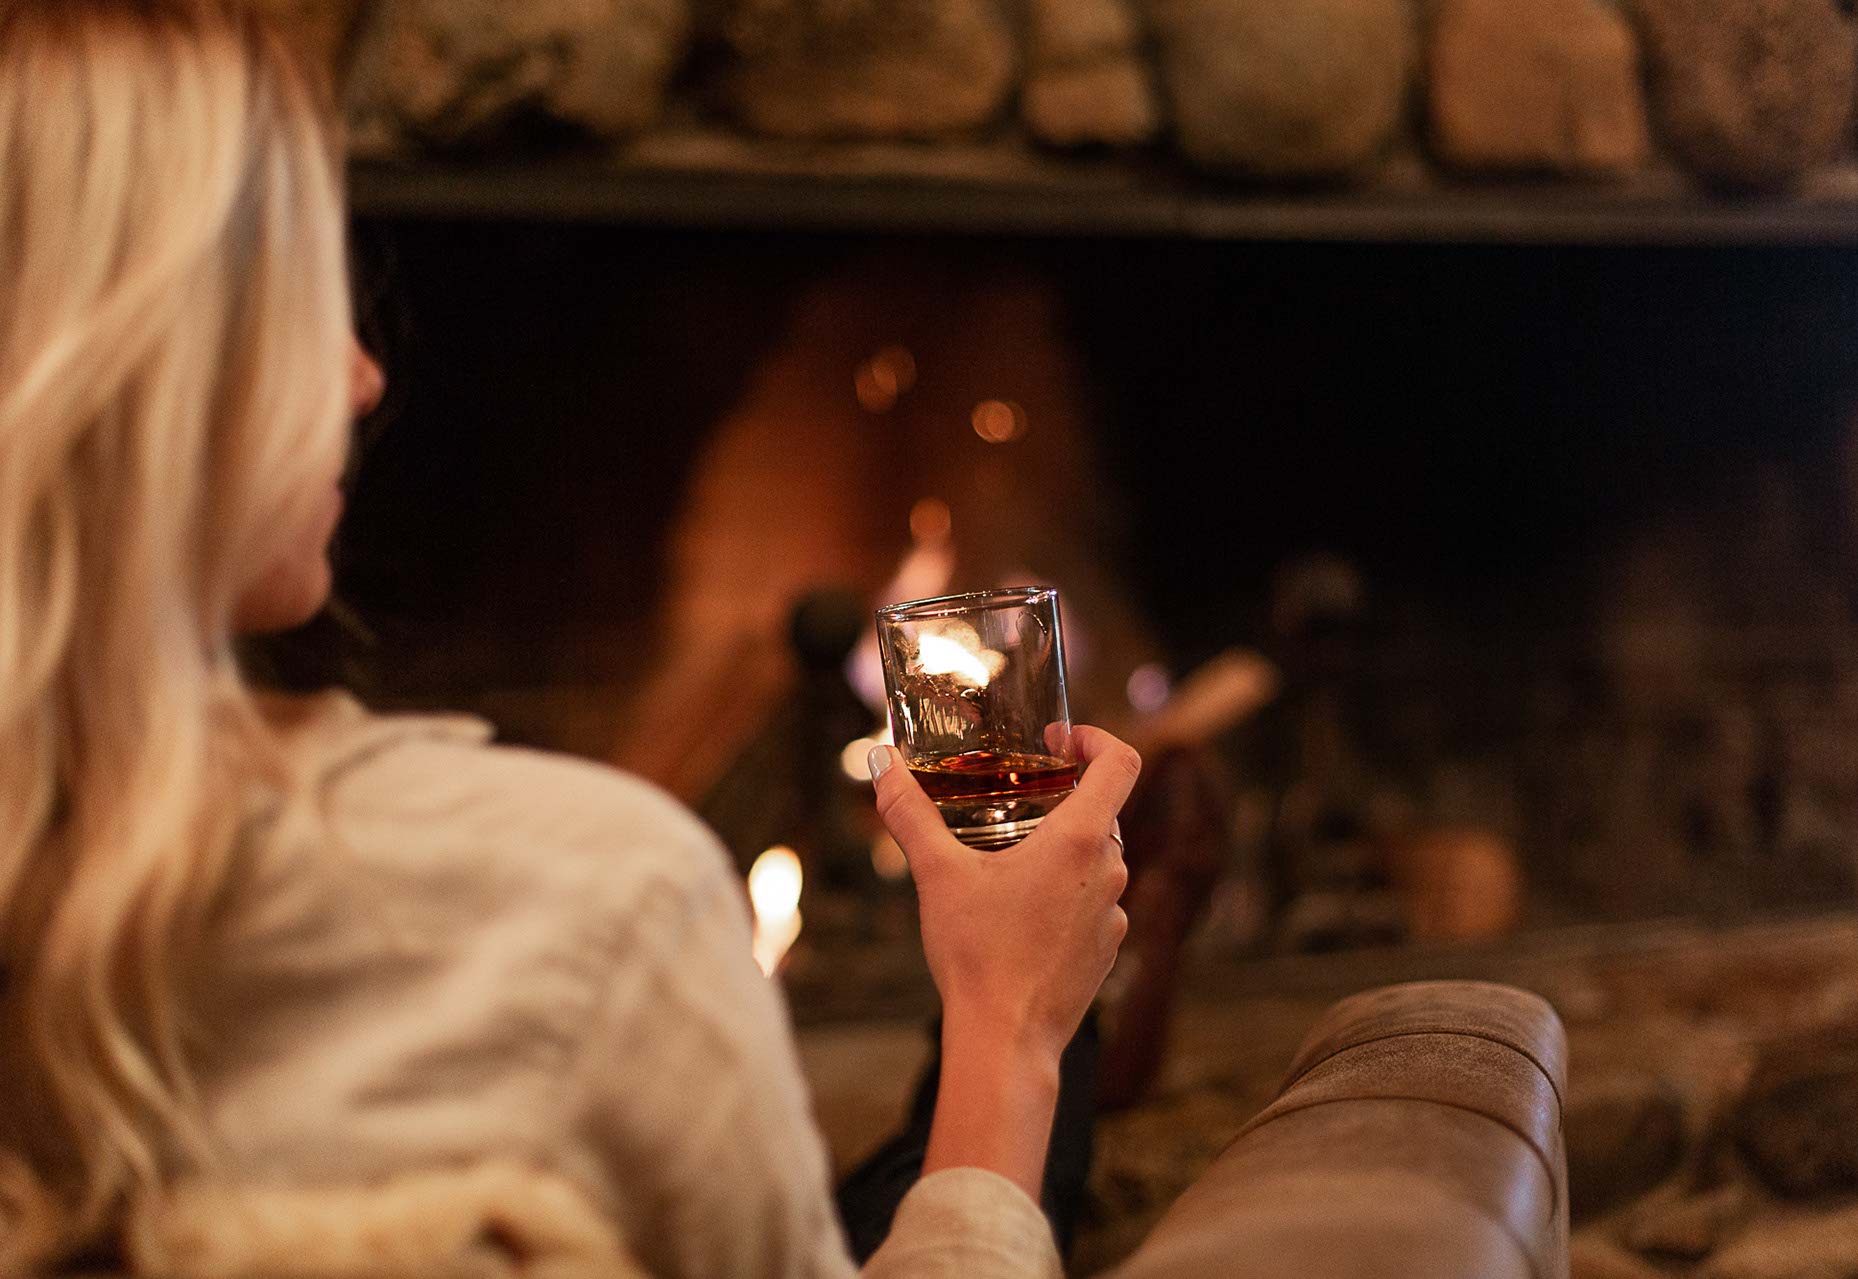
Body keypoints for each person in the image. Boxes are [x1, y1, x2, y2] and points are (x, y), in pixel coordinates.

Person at [0, 2, 1138, 1275]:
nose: (364, 377)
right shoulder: (590, 906)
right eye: (292, 301)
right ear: (127, 369)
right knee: (997, 1129)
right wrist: (1008, 1022)